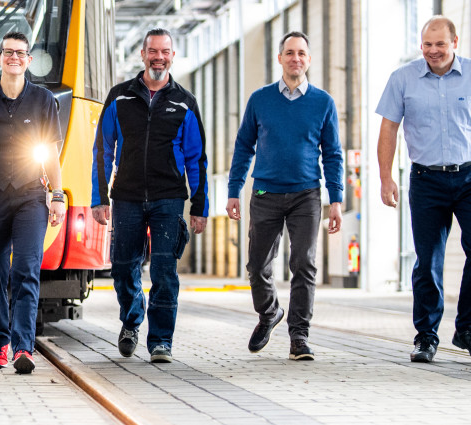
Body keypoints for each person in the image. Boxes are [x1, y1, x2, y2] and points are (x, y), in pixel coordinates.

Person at [375, 14, 471, 364]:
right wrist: (385, 177)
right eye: (427, 44)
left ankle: (469, 328)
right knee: (428, 261)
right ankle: (426, 335)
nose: (433, 51)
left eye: (440, 44)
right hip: (426, 181)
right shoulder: (402, 79)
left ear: (455, 42)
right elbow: (388, 129)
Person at [90, 28, 209, 364]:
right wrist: (99, 198)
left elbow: (196, 159)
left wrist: (199, 206)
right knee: (122, 268)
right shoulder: (119, 97)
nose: (159, 57)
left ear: (173, 56)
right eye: (153, 51)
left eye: (165, 51)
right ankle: (131, 319)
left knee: (164, 272)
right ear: (142, 55)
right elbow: (102, 151)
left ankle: (160, 341)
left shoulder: (185, 102)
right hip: (125, 196)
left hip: (168, 198)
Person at [226, 31, 345, 362]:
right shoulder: (260, 100)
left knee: (303, 263)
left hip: (306, 195)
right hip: (265, 192)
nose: (296, 58)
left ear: (309, 60)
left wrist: (336, 199)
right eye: (289, 52)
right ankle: (269, 312)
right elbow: (243, 146)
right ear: (280, 59)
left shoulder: (323, 102)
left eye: (302, 53)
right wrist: (234, 189)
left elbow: (333, 154)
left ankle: (299, 336)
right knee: (257, 265)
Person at [0, 31, 65, 374]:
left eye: (20, 53)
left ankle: (23, 346)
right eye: (8, 52)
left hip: (31, 195)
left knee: (25, 268)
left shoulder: (44, 100)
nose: (14, 58)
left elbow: (50, 151)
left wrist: (57, 196)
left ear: (29, 60)